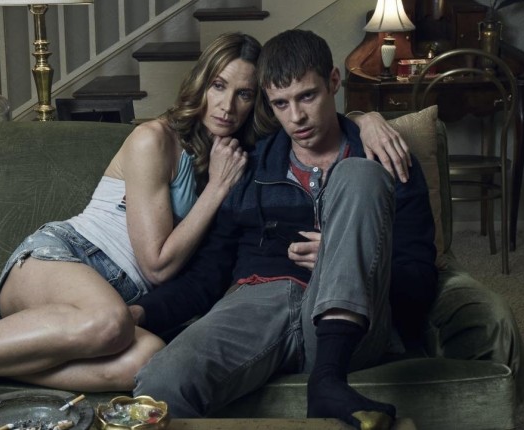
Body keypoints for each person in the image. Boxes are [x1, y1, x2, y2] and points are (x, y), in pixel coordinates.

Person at [0, 32, 409, 418]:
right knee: (107, 323)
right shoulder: (155, 138)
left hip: (111, 304)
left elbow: (310, 127)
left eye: (244, 95)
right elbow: (156, 262)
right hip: (67, 258)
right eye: (218, 86)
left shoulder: (236, 156)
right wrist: (218, 191)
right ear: (201, 82)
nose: (226, 105)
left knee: (142, 363)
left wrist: (365, 116)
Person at [131, 29, 438, 430]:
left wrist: (347, 257)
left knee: (359, 174)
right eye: (281, 103)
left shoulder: (387, 158)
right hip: (256, 303)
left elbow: (420, 279)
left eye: (307, 96)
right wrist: (139, 313)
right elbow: (207, 274)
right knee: (159, 385)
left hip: (356, 320)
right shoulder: (251, 166)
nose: (296, 118)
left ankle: (327, 380)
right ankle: (326, 386)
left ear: (333, 82)